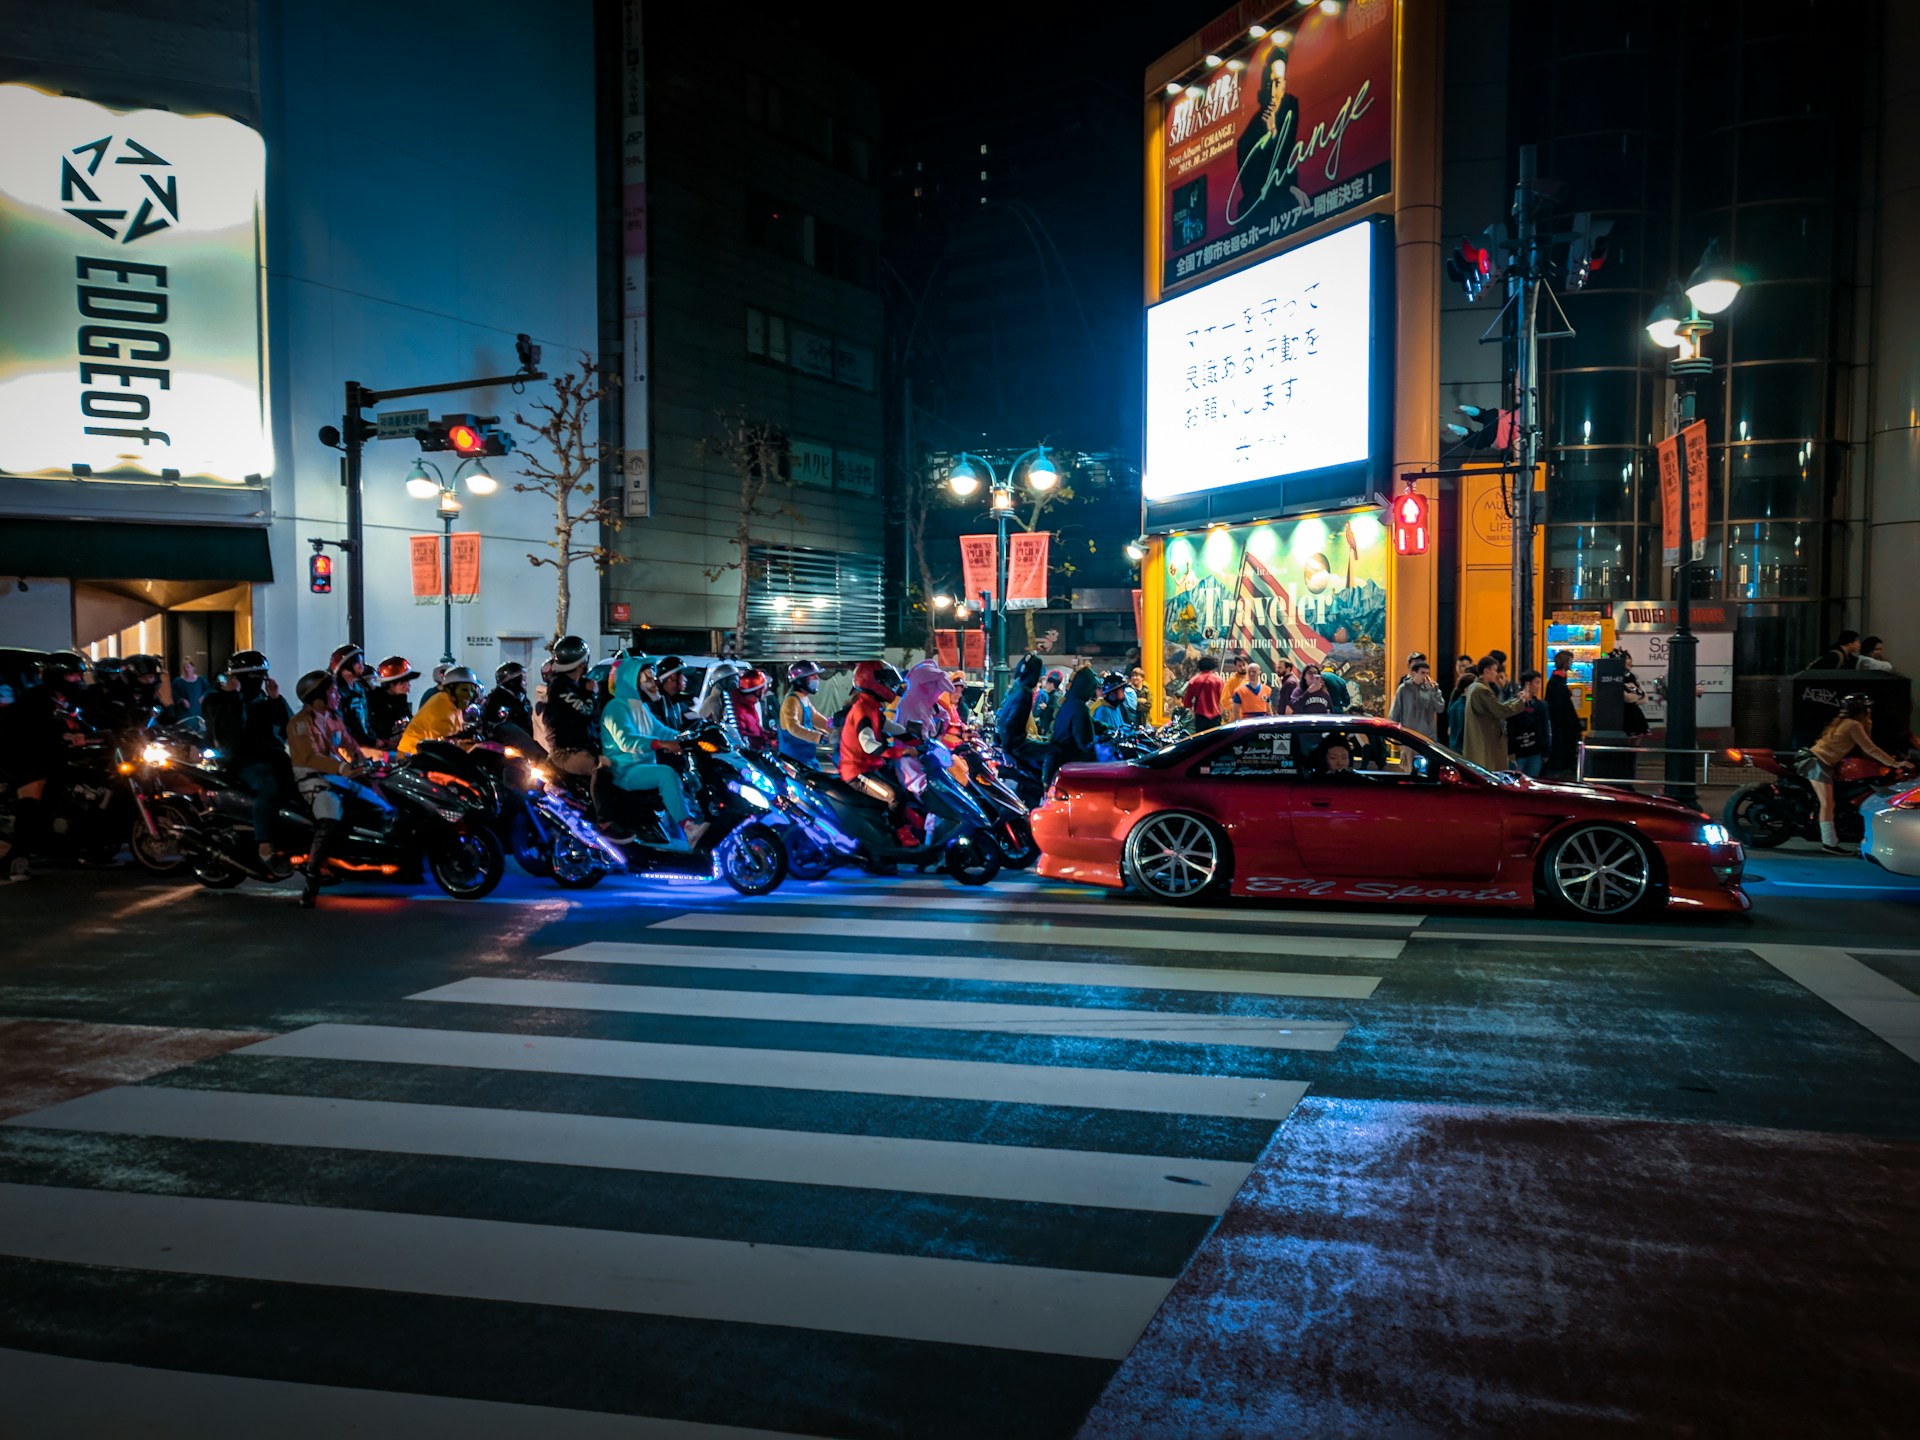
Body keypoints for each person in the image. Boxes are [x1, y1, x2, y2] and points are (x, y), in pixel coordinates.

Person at [286, 670, 393, 907]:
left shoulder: (332, 717)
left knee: (380, 804)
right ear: (317, 696)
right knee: (330, 816)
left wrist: (365, 761)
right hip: (314, 779)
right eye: (331, 691)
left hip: (338, 776)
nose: (336, 694)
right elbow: (310, 758)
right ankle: (312, 879)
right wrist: (344, 769)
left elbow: (350, 743)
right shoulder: (299, 724)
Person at [201, 649, 294, 878]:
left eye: (263, 675)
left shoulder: (264, 698)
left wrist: (276, 700)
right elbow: (230, 734)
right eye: (256, 676)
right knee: (268, 787)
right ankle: (264, 845)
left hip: (273, 758)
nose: (261, 680)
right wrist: (233, 696)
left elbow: (288, 727)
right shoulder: (217, 699)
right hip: (241, 763)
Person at [0, 652, 92, 881]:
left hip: (57, 756)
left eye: (80, 674)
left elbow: (92, 719)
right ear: (57, 675)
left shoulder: (73, 700)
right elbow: (33, 730)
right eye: (72, 675)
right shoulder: (36, 698)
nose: (78, 679)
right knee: (34, 791)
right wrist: (64, 736)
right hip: (25, 754)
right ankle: (18, 859)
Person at [602, 652, 707, 849]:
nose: (654, 681)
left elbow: (661, 730)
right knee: (666, 774)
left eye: (653, 676)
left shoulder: (642, 708)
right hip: (625, 770)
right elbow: (626, 741)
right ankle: (688, 828)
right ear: (632, 680)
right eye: (648, 677)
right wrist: (661, 744)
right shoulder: (616, 707)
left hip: (644, 766)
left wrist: (686, 738)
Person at [1804, 694, 1905, 853]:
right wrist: (1895, 763)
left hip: (1819, 761)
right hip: (1819, 763)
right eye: (1867, 708)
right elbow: (1870, 748)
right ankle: (1829, 844)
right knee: (1828, 804)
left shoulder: (1844, 722)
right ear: (1862, 710)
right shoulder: (1853, 725)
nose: (1870, 711)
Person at [839, 660, 914, 839]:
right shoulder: (862, 710)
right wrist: (899, 752)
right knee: (896, 796)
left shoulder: (872, 707)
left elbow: (891, 727)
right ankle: (901, 837)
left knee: (905, 792)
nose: (891, 686)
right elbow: (869, 745)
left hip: (871, 767)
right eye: (886, 681)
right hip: (857, 773)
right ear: (872, 682)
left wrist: (918, 739)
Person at [534, 637, 602, 783]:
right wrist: (592, 694)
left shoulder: (579, 685)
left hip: (583, 748)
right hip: (567, 753)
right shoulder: (560, 688)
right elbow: (585, 712)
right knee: (602, 769)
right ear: (583, 663)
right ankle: (601, 807)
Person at [1460, 655, 1527, 771]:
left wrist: (1516, 700)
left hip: (1480, 743)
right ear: (1487, 671)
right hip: (1486, 743)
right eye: (1495, 670)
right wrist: (1520, 702)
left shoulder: (1474, 687)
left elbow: (1497, 707)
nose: (1496, 674)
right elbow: (1499, 711)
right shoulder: (1482, 690)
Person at [399, 665, 481, 755]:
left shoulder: (453, 705)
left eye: (473, 690)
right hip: (413, 755)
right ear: (450, 689)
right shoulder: (441, 707)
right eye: (464, 690)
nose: (469, 694)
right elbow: (444, 745)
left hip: (425, 754)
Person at [1047, 666, 1100, 780]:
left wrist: (1105, 727)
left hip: (1059, 761)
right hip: (1071, 764)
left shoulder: (1069, 702)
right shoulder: (1079, 708)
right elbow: (1085, 741)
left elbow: (1093, 723)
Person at [328, 644, 382, 751]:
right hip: (345, 747)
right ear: (345, 665)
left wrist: (373, 739)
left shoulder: (359, 688)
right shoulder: (334, 691)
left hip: (364, 743)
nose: (362, 666)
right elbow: (340, 725)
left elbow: (366, 720)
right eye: (357, 663)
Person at [779, 661, 830, 765]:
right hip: (794, 758)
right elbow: (793, 728)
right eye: (813, 676)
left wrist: (835, 730)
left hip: (806, 756)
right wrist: (820, 737)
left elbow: (815, 718)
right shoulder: (791, 701)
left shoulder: (803, 698)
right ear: (800, 680)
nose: (817, 679)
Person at [478, 660, 537, 752]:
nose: (525, 683)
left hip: (524, 747)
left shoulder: (523, 699)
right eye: (523, 679)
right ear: (512, 681)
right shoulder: (496, 699)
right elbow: (496, 726)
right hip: (504, 749)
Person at [1545, 650, 1584, 776]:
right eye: (1570, 661)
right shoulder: (1558, 681)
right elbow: (1564, 705)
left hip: (1558, 721)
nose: (1571, 663)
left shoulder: (1555, 680)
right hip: (1562, 722)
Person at [368, 655, 420, 749]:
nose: (408, 687)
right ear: (391, 684)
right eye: (403, 683)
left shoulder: (400, 700)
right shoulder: (376, 703)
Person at [1507, 669, 1551, 778]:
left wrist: (1546, 750)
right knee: (1515, 780)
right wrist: (1510, 750)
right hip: (1518, 750)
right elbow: (1511, 727)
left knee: (1533, 779)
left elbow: (1545, 728)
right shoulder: (1514, 704)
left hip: (1535, 750)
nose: (1539, 686)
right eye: (1536, 682)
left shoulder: (1541, 705)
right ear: (1527, 684)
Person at [996, 653, 1044, 751]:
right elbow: (1012, 723)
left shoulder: (1016, 690)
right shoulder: (1025, 693)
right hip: (1017, 746)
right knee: (1055, 751)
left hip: (1011, 744)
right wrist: (1007, 751)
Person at [1388, 656, 1442, 739]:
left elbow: (1440, 708)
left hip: (1428, 736)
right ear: (1413, 673)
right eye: (1422, 673)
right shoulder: (1403, 688)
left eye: (1427, 673)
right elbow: (1395, 711)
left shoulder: (1432, 689)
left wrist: (1435, 692)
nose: (1425, 676)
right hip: (1409, 736)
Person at [1181, 654, 1226, 731]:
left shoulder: (1194, 680)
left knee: (1201, 740)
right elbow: (1222, 700)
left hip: (1200, 717)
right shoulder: (1218, 680)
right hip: (1215, 717)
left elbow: (1186, 702)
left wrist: (1194, 714)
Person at [1616, 650, 1650, 739]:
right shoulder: (1616, 677)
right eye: (1626, 659)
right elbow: (1627, 698)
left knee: (1637, 739)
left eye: (1629, 658)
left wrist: (1635, 696)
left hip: (1634, 713)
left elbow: (1644, 697)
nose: (1629, 661)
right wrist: (1636, 696)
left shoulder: (1632, 677)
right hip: (1623, 714)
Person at [1091, 671, 1130, 738]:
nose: (1124, 693)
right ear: (1112, 694)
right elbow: (1105, 737)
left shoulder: (1116, 708)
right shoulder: (1103, 711)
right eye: (1121, 690)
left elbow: (1121, 727)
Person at [1446, 669, 1476, 751]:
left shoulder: (1454, 705)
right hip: (1463, 748)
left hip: (1454, 746)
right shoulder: (1464, 707)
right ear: (1466, 689)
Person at [1032, 669, 1064, 737]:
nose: (1045, 685)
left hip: (1050, 729)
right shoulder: (1053, 695)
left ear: (1051, 684)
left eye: (1047, 683)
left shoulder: (1055, 696)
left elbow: (1056, 712)